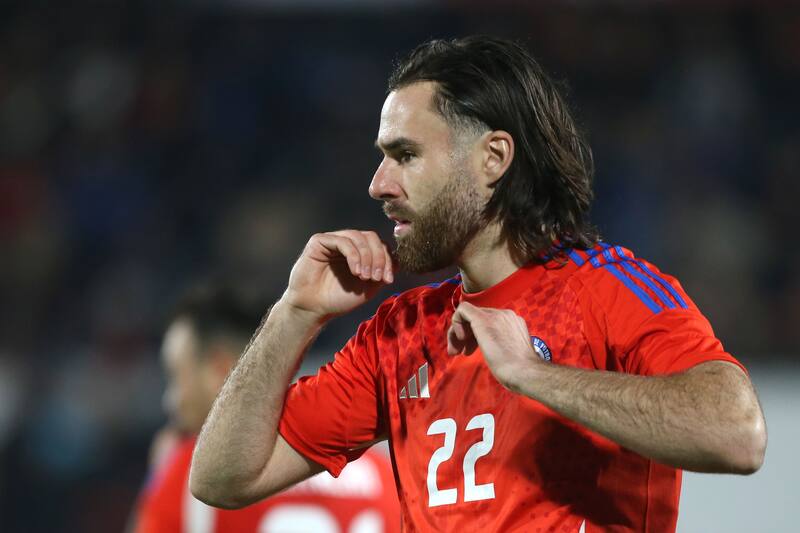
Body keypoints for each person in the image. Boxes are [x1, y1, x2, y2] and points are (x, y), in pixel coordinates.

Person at [189, 36, 767, 532]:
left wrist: (534, 376)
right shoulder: (400, 334)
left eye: (405, 155)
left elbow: (737, 434)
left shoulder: (606, 290)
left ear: (493, 158)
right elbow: (222, 477)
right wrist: (294, 314)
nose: (378, 184)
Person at [129, 285, 400, 533]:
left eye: (178, 378)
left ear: (219, 369)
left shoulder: (191, 476)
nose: (171, 400)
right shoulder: (382, 471)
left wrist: (159, 479)